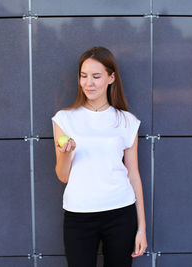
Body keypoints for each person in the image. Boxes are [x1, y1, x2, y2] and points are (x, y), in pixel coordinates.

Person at [52, 46, 147, 267]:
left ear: (111, 78)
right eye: (84, 76)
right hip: (79, 215)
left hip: (121, 214)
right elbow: (62, 176)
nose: (88, 83)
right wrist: (67, 154)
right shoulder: (64, 119)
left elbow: (133, 175)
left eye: (96, 76)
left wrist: (141, 228)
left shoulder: (127, 121)